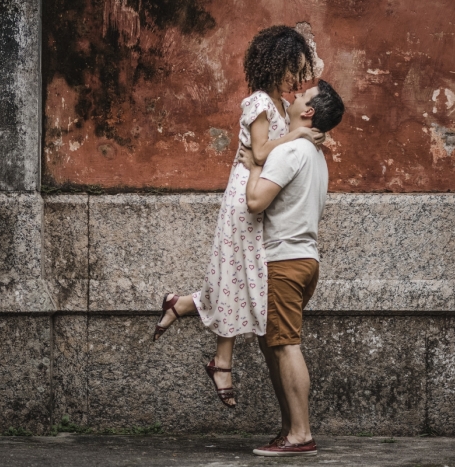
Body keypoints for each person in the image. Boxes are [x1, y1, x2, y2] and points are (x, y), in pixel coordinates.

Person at [152, 25, 323, 408]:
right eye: (293, 68)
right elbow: (260, 152)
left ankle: (182, 307)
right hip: (245, 197)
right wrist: (298, 136)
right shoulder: (259, 102)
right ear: (275, 65)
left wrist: (300, 133)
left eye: (301, 69)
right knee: (236, 276)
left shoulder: (280, 105)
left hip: (260, 195)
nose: (298, 78)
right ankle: (220, 360)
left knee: (239, 277)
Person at [238, 80, 345, 456]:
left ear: (309, 112)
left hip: (283, 261)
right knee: (275, 346)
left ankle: (300, 434)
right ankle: (289, 430)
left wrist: (254, 165)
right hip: (305, 260)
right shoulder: (315, 155)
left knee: (285, 346)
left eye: (302, 96)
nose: (295, 96)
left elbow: (254, 201)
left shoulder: (290, 151)